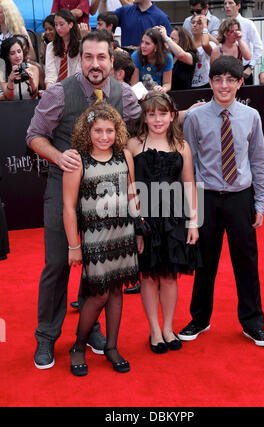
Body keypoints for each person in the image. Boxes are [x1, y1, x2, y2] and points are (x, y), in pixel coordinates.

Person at [26, 30, 141, 370]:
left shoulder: (124, 93)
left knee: (100, 269)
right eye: (88, 57)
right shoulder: (60, 93)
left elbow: (143, 125)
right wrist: (58, 156)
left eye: (101, 57)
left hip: (107, 197)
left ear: (112, 57)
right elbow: (34, 136)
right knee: (59, 263)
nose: (94, 64)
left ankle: (89, 329)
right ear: (80, 59)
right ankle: (46, 336)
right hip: (65, 189)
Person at [180, 55, 264, 347]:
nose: (224, 85)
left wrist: (260, 201)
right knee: (203, 262)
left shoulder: (251, 117)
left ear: (240, 83)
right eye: (218, 79)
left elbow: (259, 161)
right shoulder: (195, 118)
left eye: (230, 80)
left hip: (240, 198)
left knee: (246, 262)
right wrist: (191, 210)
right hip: (207, 197)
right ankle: (200, 318)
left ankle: (253, 323)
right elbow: (189, 165)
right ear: (210, 82)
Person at [63, 103, 141, 376]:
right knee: (99, 294)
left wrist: (139, 231)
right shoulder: (77, 162)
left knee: (118, 290)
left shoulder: (125, 156)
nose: (104, 136)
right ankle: (79, 346)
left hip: (123, 235)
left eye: (110, 130)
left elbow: (133, 196)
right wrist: (74, 246)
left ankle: (111, 346)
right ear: (88, 131)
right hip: (95, 238)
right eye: (98, 130)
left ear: (117, 131)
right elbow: (68, 208)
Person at [127, 91, 201, 353]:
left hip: (174, 218)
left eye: (162, 113)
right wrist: (136, 225)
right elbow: (130, 188)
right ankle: (154, 330)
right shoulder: (133, 145)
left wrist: (194, 222)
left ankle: (168, 327)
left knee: (170, 277)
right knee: (148, 275)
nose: (157, 119)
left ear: (172, 116)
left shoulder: (182, 146)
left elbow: (190, 184)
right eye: (152, 114)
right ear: (145, 117)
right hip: (145, 219)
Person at [99, 0, 172, 48]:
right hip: (126, 64)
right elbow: (103, 20)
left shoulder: (162, 18)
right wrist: (103, 1)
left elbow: (167, 47)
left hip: (149, 67)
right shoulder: (124, 11)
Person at [224, 0, 264, 85]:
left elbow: (259, 47)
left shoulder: (248, 23)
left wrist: (250, 67)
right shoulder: (223, 24)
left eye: (230, 3)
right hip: (226, 68)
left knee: (246, 98)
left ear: (238, 6)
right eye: (225, 3)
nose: (227, 6)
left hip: (244, 69)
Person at [45, 9, 81, 88]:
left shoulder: (80, 45)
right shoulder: (51, 46)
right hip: (56, 89)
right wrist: (49, 90)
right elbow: (50, 74)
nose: (58, 28)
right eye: (56, 24)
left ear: (70, 24)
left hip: (76, 89)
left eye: (61, 24)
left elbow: (79, 74)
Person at [131, 27, 173, 92]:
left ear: (156, 46)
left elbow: (167, 83)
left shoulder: (167, 57)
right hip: (140, 94)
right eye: (142, 42)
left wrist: (163, 89)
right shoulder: (136, 56)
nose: (142, 46)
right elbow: (134, 84)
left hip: (158, 94)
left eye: (147, 43)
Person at [157, 25, 198, 90]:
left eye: (172, 39)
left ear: (182, 41)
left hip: (183, 96)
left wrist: (166, 37)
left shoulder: (191, 54)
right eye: (170, 38)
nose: (169, 41)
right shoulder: (168, 56)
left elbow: (181, 55)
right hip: (166, 95)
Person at [0, 36, 39, 100]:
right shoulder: (2, 73)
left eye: (19, 51)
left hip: (31, 106)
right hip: (12, 107)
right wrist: (11, 80)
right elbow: (10, 97)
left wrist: (31, 81)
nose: (17, 56)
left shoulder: (33, 68)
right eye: (12, 53)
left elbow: (34, 95)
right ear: (7, 56)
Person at [190, 14, 216, 88]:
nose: (195, 25)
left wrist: (205, 25)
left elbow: (205, 44)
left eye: (199, 23)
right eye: (193, 22)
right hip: (189, 83)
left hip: (205, 84)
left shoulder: (211, 44)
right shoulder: (187, 43)